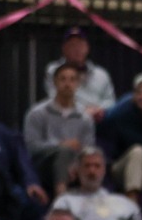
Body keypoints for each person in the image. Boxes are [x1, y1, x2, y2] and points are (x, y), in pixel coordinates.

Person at [24, 61, 97, 195]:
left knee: (93, 161)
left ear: (78, 84)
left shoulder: (85, 118)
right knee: (63, 152)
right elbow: (32, 147)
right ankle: (61, 200)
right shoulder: (37, 113)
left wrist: (76, 165)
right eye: (63, 79)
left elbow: (88, 149)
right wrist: (60, 145)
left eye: (72, 79)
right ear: (54, 83)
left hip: (75, 167)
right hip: (43, 166)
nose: (67, 84)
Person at [44, 28, 115, 119]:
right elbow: (54, 98)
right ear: (64, 49)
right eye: (72, 45)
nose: (77, 49)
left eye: (80, 45)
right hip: (67, 119)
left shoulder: (101, 74)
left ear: (87, 48)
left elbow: (110, 101)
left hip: (98, 120)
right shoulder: (53, 70)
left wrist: (98, 109)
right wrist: (83, 112)